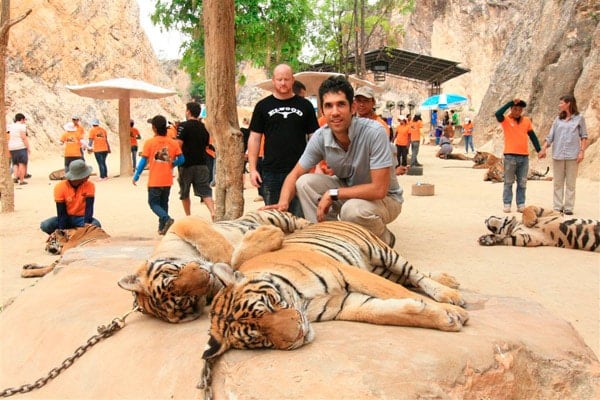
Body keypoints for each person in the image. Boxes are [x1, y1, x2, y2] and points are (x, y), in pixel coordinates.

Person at [264, 75, 403, 247]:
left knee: (352, 211)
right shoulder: (321, 136)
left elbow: (379, 189)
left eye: (341, 104)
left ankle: (384, 239)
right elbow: (295, 173)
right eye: (328, 106)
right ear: (322, 110)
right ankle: (329, 240)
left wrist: (333, 193)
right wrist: (283, 203)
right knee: (305, 182)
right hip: (349, 190)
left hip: (385, 199)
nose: (335, 112)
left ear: (352, 108)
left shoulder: (375, 132)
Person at [247, 63, 319, 216]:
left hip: (300, 171)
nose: (283, 83)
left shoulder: (305, 106)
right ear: (273, 80)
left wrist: (316, 166)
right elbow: (254, 138)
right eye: (279, 79)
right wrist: (253, 169)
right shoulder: (262, 106)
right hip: (271, 171)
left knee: (300, 217)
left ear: (293, 80)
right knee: (275, 217)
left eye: (286, 79)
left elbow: (314, 138)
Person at [133, 115, 184, 235]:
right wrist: (172, 164)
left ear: (154, 128)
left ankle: (166, 219)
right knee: (163, 203)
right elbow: (182, 159)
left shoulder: (150, 143)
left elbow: (143, 161)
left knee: (153, 203)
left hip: (155, 180)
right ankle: (162, 228)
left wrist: (137, 175)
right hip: (167, 179)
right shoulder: (173, 142)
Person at [538, 95, 588, 215]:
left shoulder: (579, 118)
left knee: (571, 182)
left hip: (573, 155)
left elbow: (584, 136)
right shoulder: (557, 120)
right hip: (558, 155)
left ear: (568, 103)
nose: (559, 105)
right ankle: (557, 206)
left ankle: (569, 207)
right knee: (558, 182)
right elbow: (550, 137)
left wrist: (582, 151)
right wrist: (543, 149)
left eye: (561, 103)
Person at [495, 98, 541, 213]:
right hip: (510, 156)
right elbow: (498, 113)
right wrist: (510, 102)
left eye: (520, 109)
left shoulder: (526, 121)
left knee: (522, 182)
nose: (517, 111)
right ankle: (507, 203)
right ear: (511, 109)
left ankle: (520, 203)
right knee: (508, 181)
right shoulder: (505, 120)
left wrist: (539, 150)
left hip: (524, 156)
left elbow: (532, 136)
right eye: (515, 109)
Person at [40, 159, 101, 234]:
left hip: (82, 218)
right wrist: (63, 231)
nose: (88, 175)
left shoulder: (90, 185)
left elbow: (89, 210)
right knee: (45, 225)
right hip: (66, 217)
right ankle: (73, 233)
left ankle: (79, 233)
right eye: (86, 174)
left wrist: (86, 227)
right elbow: (61, 212)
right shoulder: (60, 187)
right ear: (79, 177)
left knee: (96, 225)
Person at [175, 102, 215, 218]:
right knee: (205, 191)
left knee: (185, 192)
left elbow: (178, 144)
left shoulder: (183, 126)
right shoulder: (203, 128)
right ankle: (213, 212)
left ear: (188, 111)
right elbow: (207, 145)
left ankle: (189, 216)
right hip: (202, 164)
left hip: (186, 164)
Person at [8, 113, 30, 185]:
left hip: (12, 147)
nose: (24, 121)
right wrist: (28, 147)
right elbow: (23, 137)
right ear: (22, 119)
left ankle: (15, 177)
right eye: (24, 120)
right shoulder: (22, 126)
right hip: (20, 147)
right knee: (22, 164)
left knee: (15, 163)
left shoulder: (11, 126)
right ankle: (21, 180)